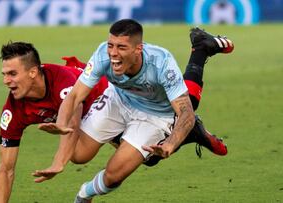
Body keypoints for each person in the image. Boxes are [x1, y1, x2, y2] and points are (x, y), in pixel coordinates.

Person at [33, 19, 234, 202]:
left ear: (139, 49)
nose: (113, 53)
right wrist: (61, 123)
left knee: (115, 174)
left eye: (121, 47)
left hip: (155, 115)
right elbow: (75, 96)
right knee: (78, 155)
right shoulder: (103, 54)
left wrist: (170, 145)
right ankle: (200, 48)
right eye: (111, 45)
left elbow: (186, 113)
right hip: (118, 100)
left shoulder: (161, 62)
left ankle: (85, 193)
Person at [0, 42, 108, 203]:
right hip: (88, 118)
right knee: (81, 155)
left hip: (106, 96)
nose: (6, 80)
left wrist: (58, 163)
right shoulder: (13, 110)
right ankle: (90, 190)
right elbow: (5, 169)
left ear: (33, 72)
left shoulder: (61, 78)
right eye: (4, 74)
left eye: (12, 74)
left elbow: (73, 122)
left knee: (78, 154)